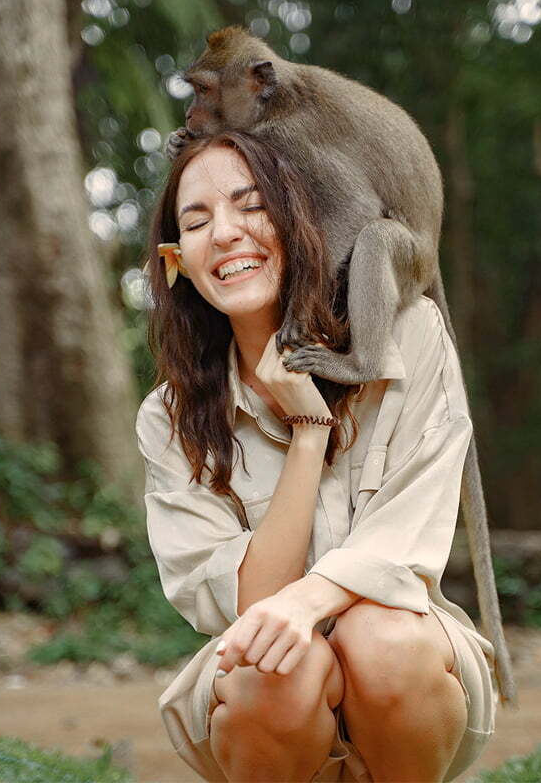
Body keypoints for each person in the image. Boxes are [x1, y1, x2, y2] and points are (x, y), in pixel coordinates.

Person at [136, 131, 498, 783]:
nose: (224, 233)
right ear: (177, 260)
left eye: (252, 207)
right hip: (269, 704)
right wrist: (308, 428)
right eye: (197, 222)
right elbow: (252, 605)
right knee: (271, 668)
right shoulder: (169, 417)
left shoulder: (408, 336)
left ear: (303, 220)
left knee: (381, 640)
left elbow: (406, 540)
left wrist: (308, 603)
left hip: (411, 675)